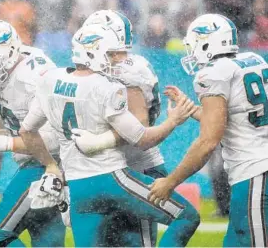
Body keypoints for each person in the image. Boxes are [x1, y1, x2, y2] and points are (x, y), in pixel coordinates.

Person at [18, 23, 200, 247]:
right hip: (112, 179)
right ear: (94, 53)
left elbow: (26, 131)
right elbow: (142, 139)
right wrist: (173, 121)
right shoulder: (107, 88)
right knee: (187, 216)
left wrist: (50, 165)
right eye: (111, 54)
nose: (117, 60)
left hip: (78, 191)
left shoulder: (50, 81)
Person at [148, 14, 268, 247]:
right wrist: (192, 109)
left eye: (193, 44)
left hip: (255, 174)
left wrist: (170, 182)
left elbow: (207, 142)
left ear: (207, 42)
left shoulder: (213, 73)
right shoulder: (253, 60)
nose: (191, 52)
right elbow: (230, 119)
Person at [0, 20, 66, 247]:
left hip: (48, 165)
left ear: (9, 53)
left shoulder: (33, 78)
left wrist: (3, 143)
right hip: (43, 166)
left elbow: (54, 140)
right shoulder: (5, 69)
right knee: (46, 240)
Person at [72, 10, 167, 246]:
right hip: (106, 172)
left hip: (138, 166)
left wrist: (99, 142)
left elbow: (138, 130)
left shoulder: (128, 69)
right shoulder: (98, 69)